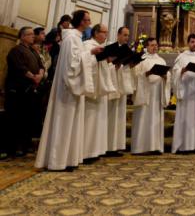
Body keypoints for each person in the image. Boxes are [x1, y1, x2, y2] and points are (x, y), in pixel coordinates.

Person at [35, 10, 102, 171]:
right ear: (81, 22)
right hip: (67, 89)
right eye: (87, 20)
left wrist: (89, 54)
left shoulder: (76, 38)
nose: (89, 23)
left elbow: (78, 59)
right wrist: (91, 53)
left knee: (71, 124)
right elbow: (72, 64)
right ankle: (57, 161)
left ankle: (68, 159)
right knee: (63, 124)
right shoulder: (71, 38)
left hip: (73, 88)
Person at [4, 27, 44, 158]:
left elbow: (41, 66)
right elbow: (20, 67)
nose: (33, 36)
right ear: (22, 36)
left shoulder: (33, 51)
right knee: (15, 119)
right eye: (30, 34)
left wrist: (40, 75)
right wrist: (33, 77)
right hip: (18, 90)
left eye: (33, 34)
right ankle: (13, 148)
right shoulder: (15, 50)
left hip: (31, 90)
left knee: (28, 119)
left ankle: (24, 146)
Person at [172, 33, 195, 153]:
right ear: (188, 43)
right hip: (186, 91)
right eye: (192, 42)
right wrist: (182, 71)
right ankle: (183, 145)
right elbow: (175, 71)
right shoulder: (182, 57)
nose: (194, 44)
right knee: (185, 117)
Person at [131, 38, 170, 154]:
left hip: (157, 94)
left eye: (156, 45)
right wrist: (147, 74)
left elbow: (168, 77)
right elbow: (136, 76)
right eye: (152, 45)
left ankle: (155, 146)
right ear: (147, 47)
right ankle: (140, 147)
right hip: (145, 94)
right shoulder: (142, 60)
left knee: (155, 119)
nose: (155, 47)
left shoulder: (161, 60)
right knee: (143, 118)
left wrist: (165, 77)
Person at [82, 24, 115, 163]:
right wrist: (95, 55)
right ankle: (86, 152)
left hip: (101, 88)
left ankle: (96, 150)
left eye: (107, 33)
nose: (106, 35)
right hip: (92, 90)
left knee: (99, 120)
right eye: (103, 32)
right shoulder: (87, 45)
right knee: (89, 120)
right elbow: (83, 62)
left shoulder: (102, 46)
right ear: (95, 33)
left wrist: (108, 60)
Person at [106, 26, 133, 156]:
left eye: (128, 35)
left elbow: (129, 66)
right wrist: (113, 65)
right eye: (125, 35)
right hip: (111, 85)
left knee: (120, 116)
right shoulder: (110, 48)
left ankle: (116, 146)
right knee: (110, 116)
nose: (126, 38)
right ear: (118, 35)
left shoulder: (128, 50)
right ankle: (107, 146)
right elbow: (104, 65)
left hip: (121, 86)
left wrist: (131, 65)